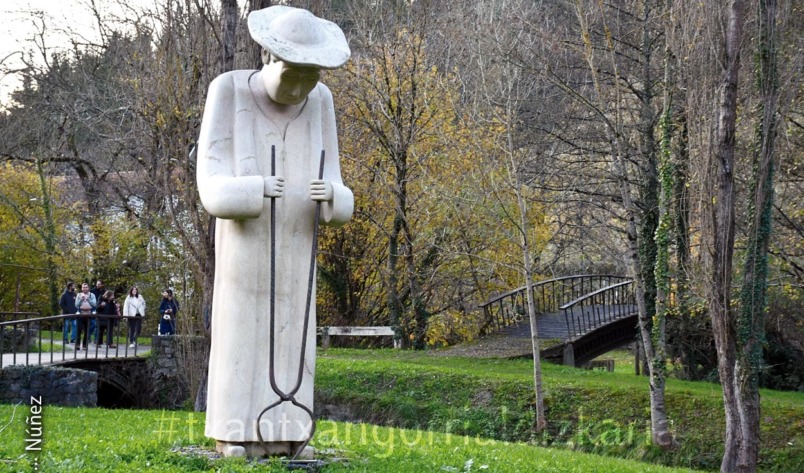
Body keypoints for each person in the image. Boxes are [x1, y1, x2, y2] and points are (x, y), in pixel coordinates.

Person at [197, 5, 353, 458]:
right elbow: (210, 183)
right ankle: (236, 432)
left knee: (294, 334)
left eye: (312, 76)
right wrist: (255, 189)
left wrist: (335, 199)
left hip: (298, 246)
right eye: (293, 75)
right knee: (243, 335)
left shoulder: (320, 103)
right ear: (267, 58)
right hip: (247, 250)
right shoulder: (228, 91)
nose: (302, 87)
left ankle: (291, 431)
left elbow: (338, 181)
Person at [74, 283, 97, 350]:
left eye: (86, 287)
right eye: (83, 287)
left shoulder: (92, 295)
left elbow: (94, 304)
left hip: (89, 314)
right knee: (79, 330)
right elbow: (76, 305)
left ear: (88, 288)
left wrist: (88, 299)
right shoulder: (79, 295)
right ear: (82, 288)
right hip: (80, 313)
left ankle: (85, 345)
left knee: (87, 331)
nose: (85, 288)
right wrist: (81, 299)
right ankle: (77, 345)